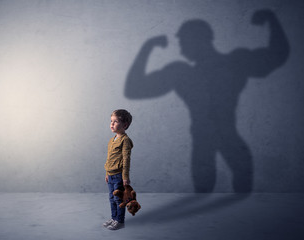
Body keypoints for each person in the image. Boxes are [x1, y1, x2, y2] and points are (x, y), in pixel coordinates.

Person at [125, 9, 289, 193]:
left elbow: (276, 56)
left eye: (183, 41)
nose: (180, 47)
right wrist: (147, 46)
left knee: (226, 193)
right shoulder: (207, 68)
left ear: (199, 40)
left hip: (210, 139)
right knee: (222, 193)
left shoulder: (194, 72)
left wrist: (148, 47)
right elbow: (134, 89)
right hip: (217, 139)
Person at [103, 109, 134, 230]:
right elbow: (109, 158)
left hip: (118, 176)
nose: (111, 124)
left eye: (115, 121)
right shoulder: (112, 140)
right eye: (111, 121)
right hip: (110, 175)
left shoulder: (125, 140)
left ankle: (120, 221)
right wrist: (107, 173)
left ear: (124, 125)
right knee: (111, 198)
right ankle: (113, 218)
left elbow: (126, 159)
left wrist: (125, 177)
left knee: (118, 198)